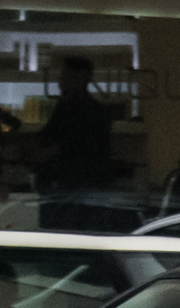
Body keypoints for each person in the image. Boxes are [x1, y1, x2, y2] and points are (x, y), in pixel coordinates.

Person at [38, 55, 119, 230]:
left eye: (64, 76)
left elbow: (47, 137)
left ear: (77, 78)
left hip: (71, 181)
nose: (59, 82)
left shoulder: (67, 108)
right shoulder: (98, 110)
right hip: (91, 183)